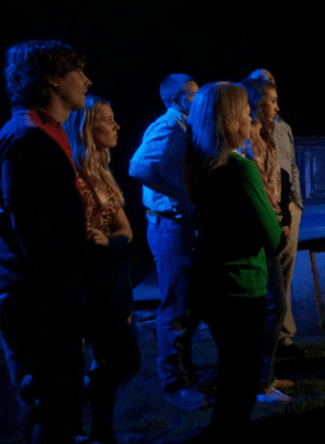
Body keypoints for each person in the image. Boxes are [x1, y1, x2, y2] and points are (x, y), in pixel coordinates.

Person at [0, 39, 91, 443]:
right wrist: (68, 296)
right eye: (78, 71)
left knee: (53, 401)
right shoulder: (28, 138)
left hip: (40, 293)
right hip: (35, 296)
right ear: (52, 78)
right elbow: (35, 235)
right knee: (52, 403)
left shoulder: (43, 131)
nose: (87, 80)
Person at [185, 82, 283, 436]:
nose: (250, 117)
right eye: (244, 111)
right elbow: (274, 238)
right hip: (243, 284)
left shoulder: (197, 166)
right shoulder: (241, 169)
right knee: (241, 381)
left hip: (209, 282)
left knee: (230, 371)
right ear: (229, 120)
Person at [128, 73, 209, 411]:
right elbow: (139, 167)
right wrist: (181, 195)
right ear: (175, 100)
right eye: (191, 93)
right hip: (169, 225)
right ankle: (174, 383)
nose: (198, 97)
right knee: (176, 305)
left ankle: (185, 371)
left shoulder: (186, 126)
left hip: (181, 224)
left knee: (189, 303)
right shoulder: (167, 127)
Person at [65, 95, 142, 443]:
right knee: (114, 358)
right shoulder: (72, 175)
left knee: (118, 360)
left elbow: (126, 230)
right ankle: (74, 417)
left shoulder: (102, 172)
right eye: (108, 120)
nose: (116, 126)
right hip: (87, 282)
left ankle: (100, 429)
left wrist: (108, 240)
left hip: (112, 276)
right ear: (86, 127)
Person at [238, 77, 293, 404]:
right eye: (272, 100)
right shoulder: (247, 141)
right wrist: (272, 224)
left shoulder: (267, 136)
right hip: (259, 231)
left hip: (273, 225)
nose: (277, 106)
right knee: (272, 307)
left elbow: (276, 181)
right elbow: (254, 188)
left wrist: (284, 217)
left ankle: (264, 377)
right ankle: (259, 383)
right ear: (257, 102)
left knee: (273, 306)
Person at [247, 68, 306, 359]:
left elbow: (290, 166)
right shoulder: (248, 134)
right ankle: (269, 342)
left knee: (285, 273)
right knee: (268, 278)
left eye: (271, 81)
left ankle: (283, 338)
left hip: (287, 208)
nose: (275, 104)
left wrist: (296, 202)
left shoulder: (281, 128)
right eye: (264, 85)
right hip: (266, 211)